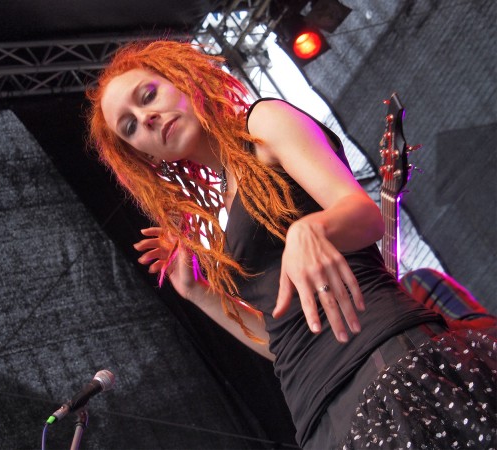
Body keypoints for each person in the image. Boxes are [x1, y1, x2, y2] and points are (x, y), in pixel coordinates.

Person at [87, 40, 496, 449]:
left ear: (183, 79)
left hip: (380, 358)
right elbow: (281, 343)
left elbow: (365, 215)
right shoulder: (225, 209)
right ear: (147, 158)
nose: (148, 117)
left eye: (148, 95)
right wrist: (196, 293)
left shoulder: (263, 123)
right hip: (315, 411)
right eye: (131, 127)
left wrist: (312, 229)